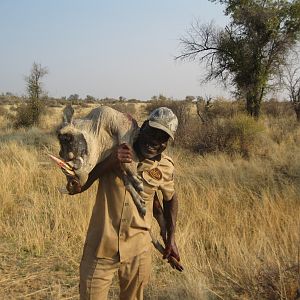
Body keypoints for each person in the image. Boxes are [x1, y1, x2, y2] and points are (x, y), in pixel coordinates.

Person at [67, 107, 181, 300]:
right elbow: (78, 187)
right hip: (101, 248)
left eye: (163, 138)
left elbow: (167, 200)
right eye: (152, 131)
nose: (155, 141)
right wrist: (111, 160)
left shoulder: (165, 166)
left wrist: (170, 237)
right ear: (143, 126)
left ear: (167, 142)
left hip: (138, 252)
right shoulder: (114, 148)